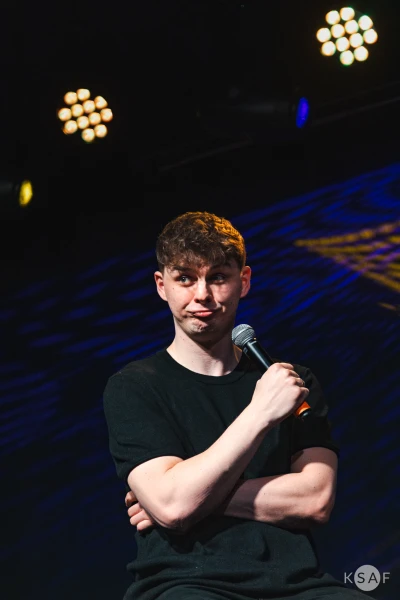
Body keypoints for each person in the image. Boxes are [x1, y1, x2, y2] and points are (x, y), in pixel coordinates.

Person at [103, 211, 373, 600]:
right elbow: (173, 506)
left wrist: (193, 497)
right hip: (186, 584)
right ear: (162, 286)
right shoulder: (134, 387)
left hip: (298, 585)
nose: (202, 295)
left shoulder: (292, 382)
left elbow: (315, 500)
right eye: (185, 278)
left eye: (217, 277)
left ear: (243, 281)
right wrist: (260, 412)